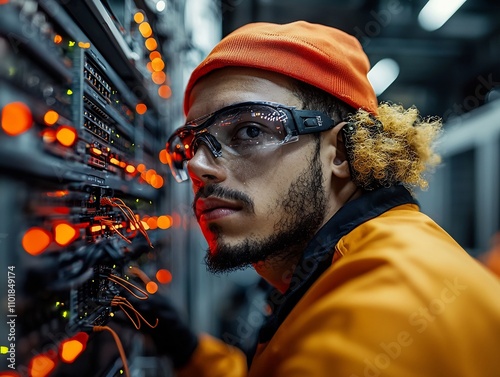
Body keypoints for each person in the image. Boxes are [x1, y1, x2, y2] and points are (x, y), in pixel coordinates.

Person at [135, 21, 500, 377]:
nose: (199, 166)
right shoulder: (357, 262)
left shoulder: (381, 309)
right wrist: (191, 353)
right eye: (190, 144)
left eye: (249, 129)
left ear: (341, 152)